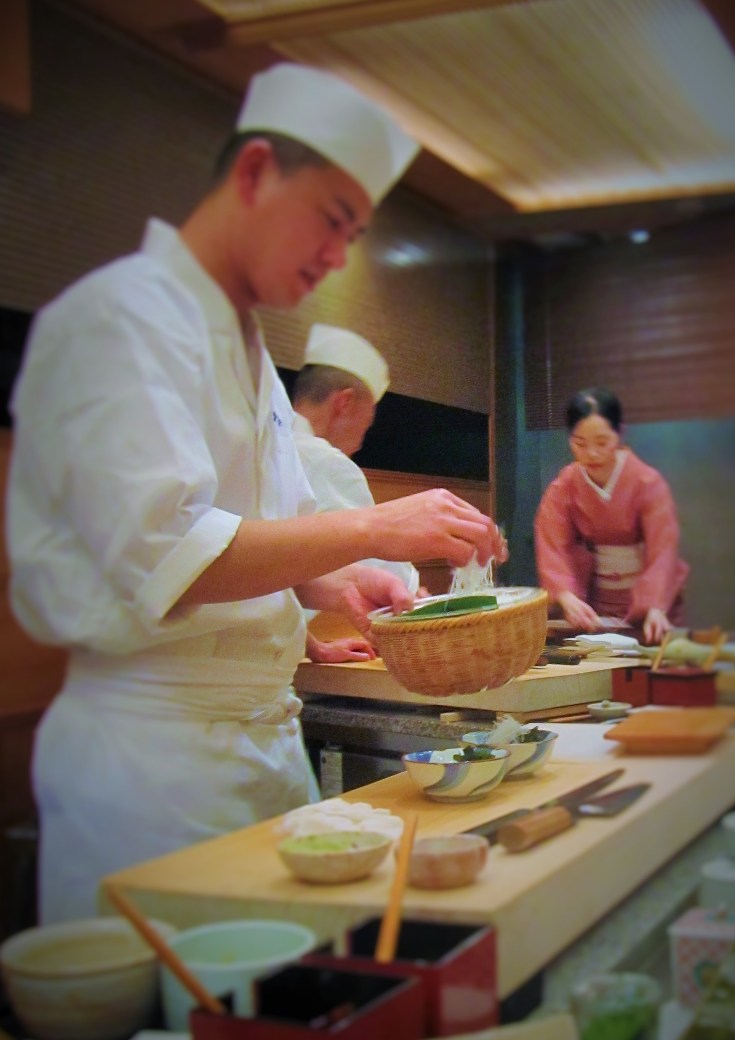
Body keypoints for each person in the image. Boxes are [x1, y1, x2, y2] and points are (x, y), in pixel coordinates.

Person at [7, 62, 506, 924]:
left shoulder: (246, 356)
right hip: (151, 759)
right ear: (253, 175)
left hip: (261, 739)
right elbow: (179, 558)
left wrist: (340, 583)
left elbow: (257, 537)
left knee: (277, 995)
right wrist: (375, 528)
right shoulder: (119, 318)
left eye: (352, 236)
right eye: (333, 221)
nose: (337, 254)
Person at [292, 323, 423, 663]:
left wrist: (312, 647)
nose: (362, 441)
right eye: (366, 425)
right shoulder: (320, 458)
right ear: (344, 403)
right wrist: (414, 593)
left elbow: (270, 577)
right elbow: (379, 570)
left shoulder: (269, 443)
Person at [534, 387, 688, 644]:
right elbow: (552, 542)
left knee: (650, 670)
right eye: (580, 443)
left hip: (649, 604)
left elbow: (663, 549)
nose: (591, 453)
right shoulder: (565, 485)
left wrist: (656, 606)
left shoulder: (647, 482)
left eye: (602, 442)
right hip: (596, 604)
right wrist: (566, 596)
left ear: (620, 433)